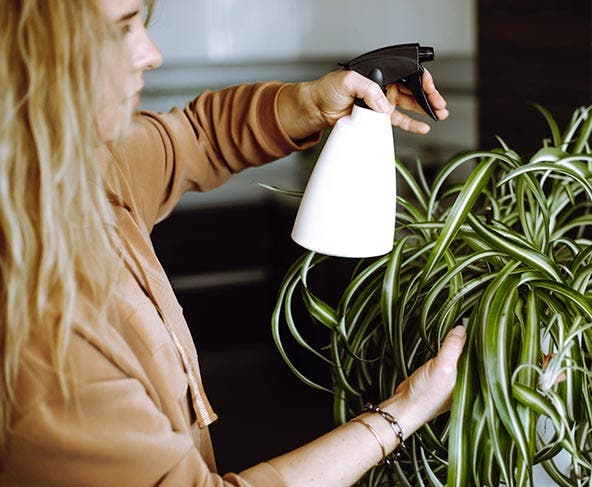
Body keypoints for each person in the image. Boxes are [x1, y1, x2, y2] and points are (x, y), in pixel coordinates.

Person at [0, 1, 466, 485]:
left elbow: (200, 135)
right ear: (24, 56)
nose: (152, 53)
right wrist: (408, 410)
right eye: (121, 29)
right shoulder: (42, 334)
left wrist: (314, 100)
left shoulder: (82, 168)